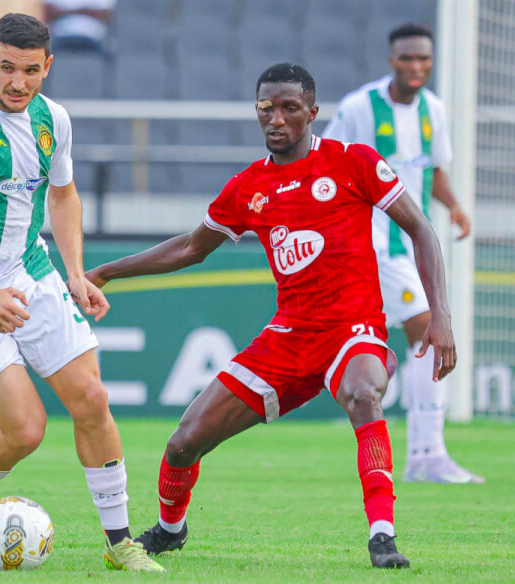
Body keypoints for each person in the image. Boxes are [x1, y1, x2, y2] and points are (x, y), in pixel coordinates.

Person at [85, 63, 457, 569]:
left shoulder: (354, 162)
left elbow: (421, 229)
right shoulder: (249, 187)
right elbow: (192, 248)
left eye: (289, 108)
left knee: (364, 391)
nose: (276, 119)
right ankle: (171, 531)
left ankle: (382, 537)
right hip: (287, 338)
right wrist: (107, 270)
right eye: (266, 109)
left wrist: (440, 316)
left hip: (353, 330)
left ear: (312, 113)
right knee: (183, 442)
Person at [0, 13, 163, 572]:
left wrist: (75, 274)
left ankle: (120, 544)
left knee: (93, 401)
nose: (17, 82)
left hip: (31, 272)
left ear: (47, 66)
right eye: (7, 68)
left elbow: (65, 197)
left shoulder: (54, 120)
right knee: (25, 430)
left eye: (30, 70)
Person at [322, 23, 482, 484]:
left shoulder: (433, 109)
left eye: (424, 60)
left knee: (418, 338)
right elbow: (326, 162)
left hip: (410, 247)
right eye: (407, 59)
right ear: (392, 60)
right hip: (371, 246)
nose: (416, 67)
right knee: (428, 333)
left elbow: (434, 170)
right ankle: (426, 453)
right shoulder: (359, 108)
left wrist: (454, 208)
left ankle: (423, 451)